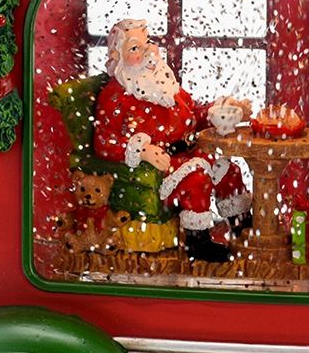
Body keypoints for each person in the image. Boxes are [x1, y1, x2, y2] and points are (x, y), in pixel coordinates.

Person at [93, 18, 252, 262]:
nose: (147, 52)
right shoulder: (115, 96)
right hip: (163, 165)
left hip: (189, 153)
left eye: (147, 43)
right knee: (197, 180)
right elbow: (104, 142)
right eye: (135, 48)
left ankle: (243, 226)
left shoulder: (162, 83)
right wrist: (141, 151)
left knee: (229, 171)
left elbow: (192, 114)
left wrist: (220, 110)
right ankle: (197, 241)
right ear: (118, 56)